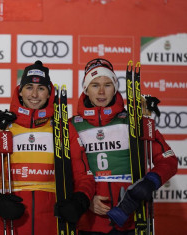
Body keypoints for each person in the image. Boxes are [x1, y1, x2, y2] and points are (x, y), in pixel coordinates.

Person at [0, 60, 95, 234]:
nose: (34, 94)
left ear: (49, 94)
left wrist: (80, 201)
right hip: (11, 224)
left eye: (41, 88)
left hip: (53, 223)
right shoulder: (2, 127)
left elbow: (83, 175)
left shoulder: (62, 128)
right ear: (20, 91)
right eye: (29, 87)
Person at [70, 58, 178, 234]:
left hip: (131, 218)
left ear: (115, 88)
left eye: (108, 84)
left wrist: (151, 181)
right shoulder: (72, 125)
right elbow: (65, 172)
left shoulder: (134, 122)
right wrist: (84, 200)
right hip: (90, 223)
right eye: (95, 85)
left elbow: (168, 159)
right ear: (86, 90)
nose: (102, 91)